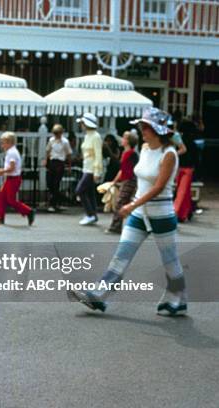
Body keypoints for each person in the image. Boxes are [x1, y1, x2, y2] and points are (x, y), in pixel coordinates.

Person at [68, 107, 187, 316]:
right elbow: (139, 177)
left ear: (157, 130)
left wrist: (132, 204)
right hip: (139, 213)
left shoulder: (169, 154)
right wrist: (120, 190)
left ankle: (179, 298)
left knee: (170, 261)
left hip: (161, 213)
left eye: (146, 127)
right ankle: (98, 295)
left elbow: (158, 187)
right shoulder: (145, 148)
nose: (142, 130)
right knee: (121, 255)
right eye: (142, 127)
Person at [0, 132, 35, 225]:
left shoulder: (11, 153)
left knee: (10, 200)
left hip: (13, 179)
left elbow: (12, 167)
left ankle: (28, 211)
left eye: (3, 143)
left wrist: (2, 171)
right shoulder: (11, 151)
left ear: (9, 143)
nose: (2, 145)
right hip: (11, 178)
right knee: (2, 198)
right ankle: (0, 217)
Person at [105, 131, 138, 234]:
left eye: (124, 139)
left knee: (120, 203)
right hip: (127, 179)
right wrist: (114, 181)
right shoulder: (126, 153)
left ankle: (116, 226)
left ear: (128, 141)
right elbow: (122, 170)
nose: (122, 140)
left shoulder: (130, 153)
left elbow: (125, 170)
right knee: (124, 202)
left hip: (129, 180)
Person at [75, 112, 103, 226]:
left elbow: (98, 155)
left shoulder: (96, 136)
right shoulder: (87, 135)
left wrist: (97, 171)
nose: (81, 125)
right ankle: (93, 215)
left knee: (80, 190)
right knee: (89, 192)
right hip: (86, 168)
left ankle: (90, 214)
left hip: (91, 169)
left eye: (82, 123)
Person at [173, 119, 199, 222]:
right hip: (189, 168)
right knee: (184, 191)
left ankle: (179, 213)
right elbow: (196, 159)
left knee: (181, 190)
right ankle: (186, 212)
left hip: (180, 167)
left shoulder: (180, 140)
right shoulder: (193, 143)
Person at [43, 124, 72, 212]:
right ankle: (60, 199)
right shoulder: (51, 140)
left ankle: (54, 203)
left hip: (60, 162)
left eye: (58, 133)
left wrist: (69, 165)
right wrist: (46, 160)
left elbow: (68, 154)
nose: (56, 135)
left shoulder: (65, 142)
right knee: (49, 183)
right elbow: (48, 150)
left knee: (56, 183)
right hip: (52, 162)